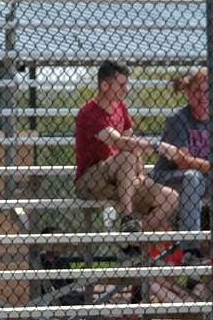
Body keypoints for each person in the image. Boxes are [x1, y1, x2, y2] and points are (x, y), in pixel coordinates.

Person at [73, 60, 178, 235]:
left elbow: (131, 140)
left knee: (171, 198)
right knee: (126, 157)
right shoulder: (89, 112)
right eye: (121, 84)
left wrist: (141, 173)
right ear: (105, 85)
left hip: (122, 180)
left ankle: (130, 239)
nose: (126, 89)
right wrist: (156, 146)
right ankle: (128, 218)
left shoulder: (120, 107)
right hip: (91, 179)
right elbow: (120, 142)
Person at [150, 69, 210, 264]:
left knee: (197, 177)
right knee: (192, 176)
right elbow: (183, 161)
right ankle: (190, 249)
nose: (202, 96)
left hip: (203, 179)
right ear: (187, 92)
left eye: (206, 91)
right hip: (169, 178)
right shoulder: (179, 119)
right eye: (196, 91)